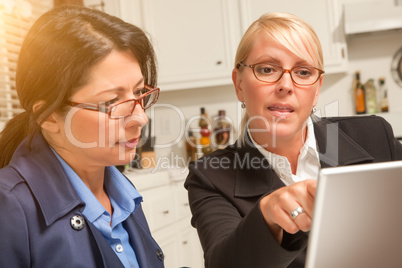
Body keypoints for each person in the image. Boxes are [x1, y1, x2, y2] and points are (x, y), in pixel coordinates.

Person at [184, 12, 402, 268]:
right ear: (239, 84)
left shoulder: (376, 136)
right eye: (267, 69)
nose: (286, 85)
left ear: (317, 88)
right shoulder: (210, 176)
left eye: (303, 71)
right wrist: (267, 216)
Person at [0, 5, 164, 267]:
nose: (141, 118)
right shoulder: (9, 205)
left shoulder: (122, 193)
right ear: (48, 116)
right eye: (112, 101)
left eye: (139, 92)